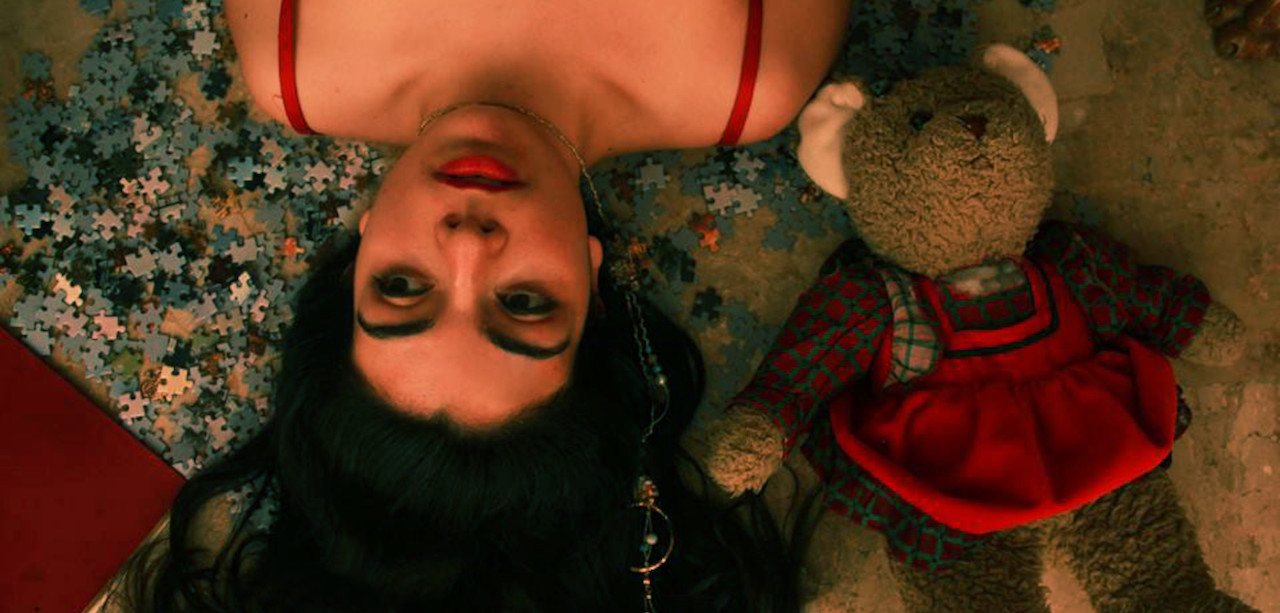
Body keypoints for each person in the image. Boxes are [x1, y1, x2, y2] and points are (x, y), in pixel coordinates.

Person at [118, 0, 850, 609]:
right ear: (593, 292)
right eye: (524, 302)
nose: (467, 243)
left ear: (358, 258)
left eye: (401, 287)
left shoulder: (294, 58)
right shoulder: (755, 71)